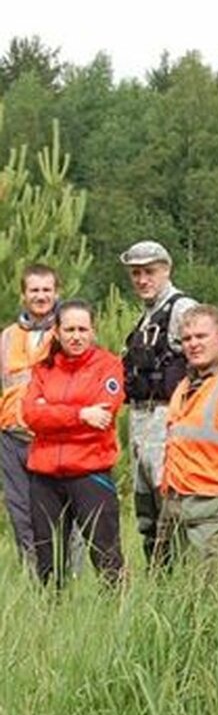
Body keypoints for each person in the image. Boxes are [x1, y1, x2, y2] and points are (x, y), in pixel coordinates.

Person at [22, 300, 125, 587]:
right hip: (44, 477)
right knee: (48, 559)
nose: (76, 336)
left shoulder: (109, 365)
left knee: (106, 556)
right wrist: (80, 413)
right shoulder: (43, 369)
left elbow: (103, 415)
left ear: (93, 331)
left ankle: (117, 617)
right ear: (57, 331)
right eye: (69, 329)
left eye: (82, 329)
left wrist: (51, 411)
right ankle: (52, 618)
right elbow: (30, 414)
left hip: (90, 472)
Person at [156, 305, 218, 565]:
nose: (193, 344)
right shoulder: (186, 383)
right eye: (187, 339)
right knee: (172, 591)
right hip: (177, 502)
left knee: (213, 591)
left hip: (215, 505)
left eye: (201, 337)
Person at [120, 240, 197, 566]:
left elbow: (205, 359)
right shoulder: (146, 316)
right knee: (148, 514)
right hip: (140, 423)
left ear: (166, 270)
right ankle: (159, 582)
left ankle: (179, 584)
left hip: (168, 421)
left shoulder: (182, 308)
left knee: (171, 511)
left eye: (149, 272)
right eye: (136, 273)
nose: (142, 280)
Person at [1, 265, 61, 565]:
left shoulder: (67, 333)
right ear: (24, 295)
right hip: (11, 437)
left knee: (58, 516)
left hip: (51, 438)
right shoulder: (7, 338)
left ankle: (64, 584)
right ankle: (33, 581)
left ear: (56, 293)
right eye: (34, 290)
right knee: (20, 514)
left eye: (46, 290)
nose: (41, 296)